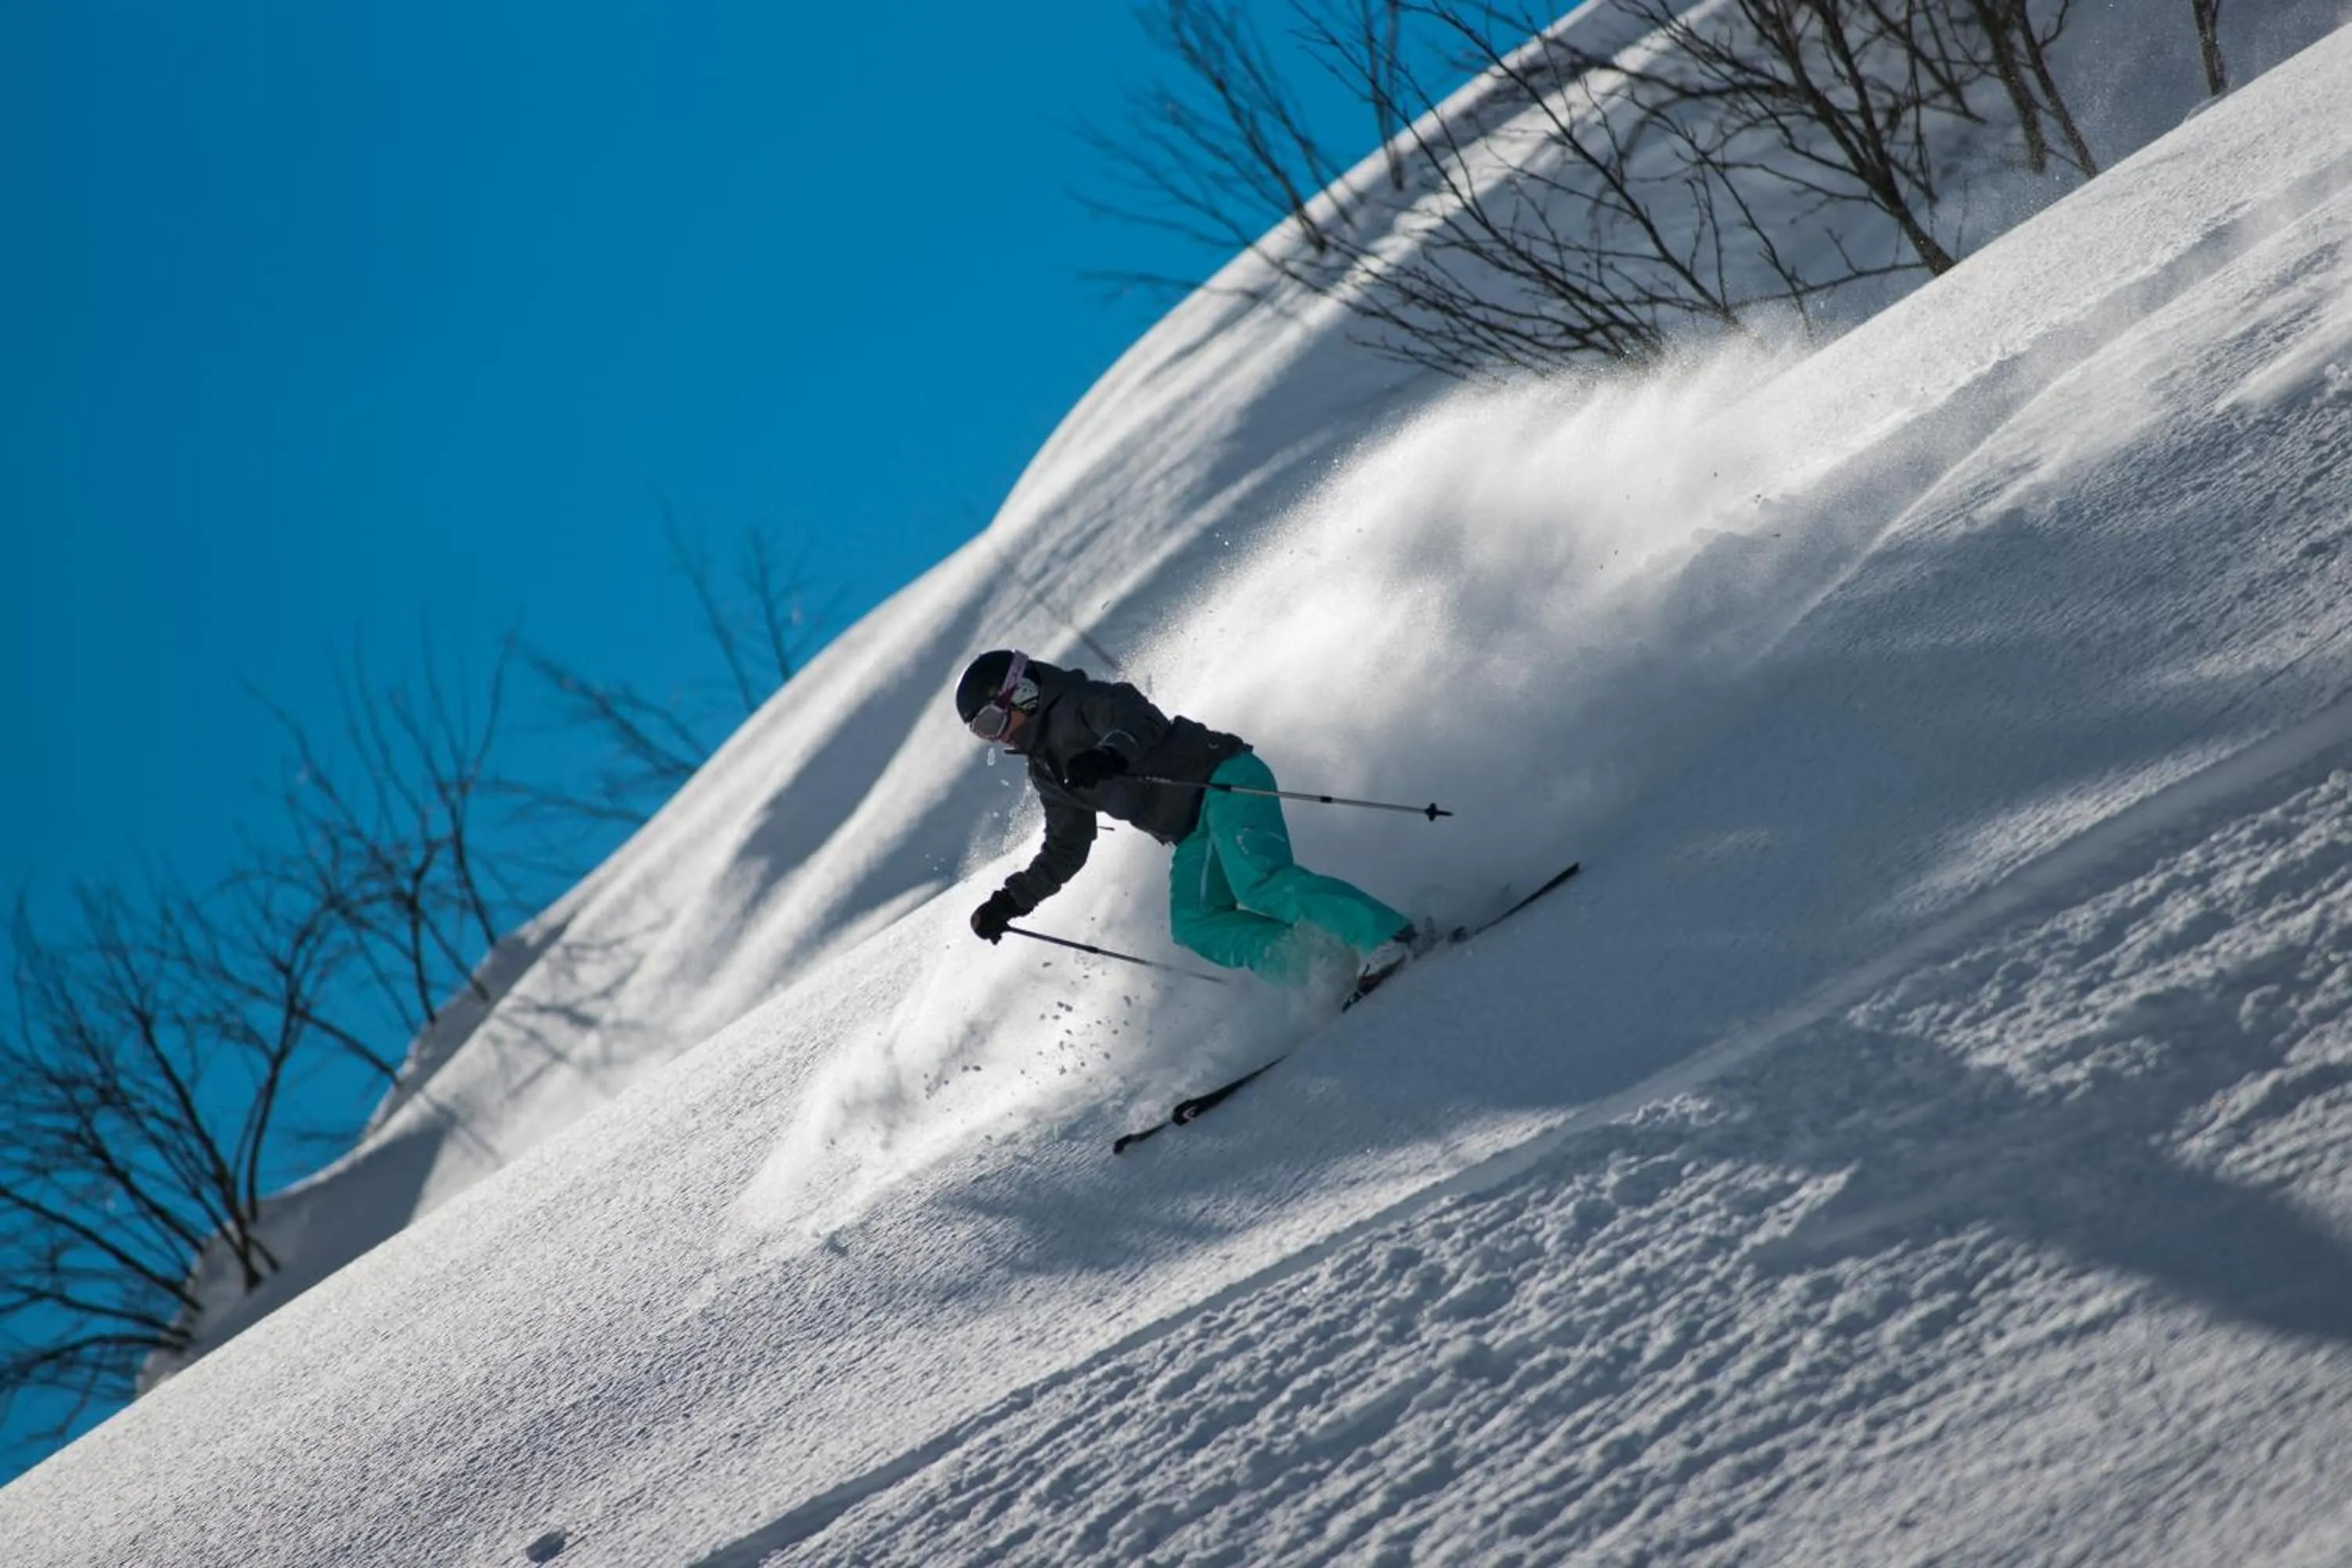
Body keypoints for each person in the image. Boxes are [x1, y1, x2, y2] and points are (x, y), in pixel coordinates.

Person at [954, 648, 1427, 997]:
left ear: (1022, 691)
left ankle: (1386, 935)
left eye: (996, 720)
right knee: (1196, 922)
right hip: (1191, 829)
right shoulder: (1048, 772)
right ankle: (1323, 971)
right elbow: (1065, 847)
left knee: (1258, 882)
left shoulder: (1084, 701)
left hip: (1225, 779)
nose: (1000, 737)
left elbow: (1139, 719)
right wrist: (1011, 900)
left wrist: (1109, 753)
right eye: (985, 733)